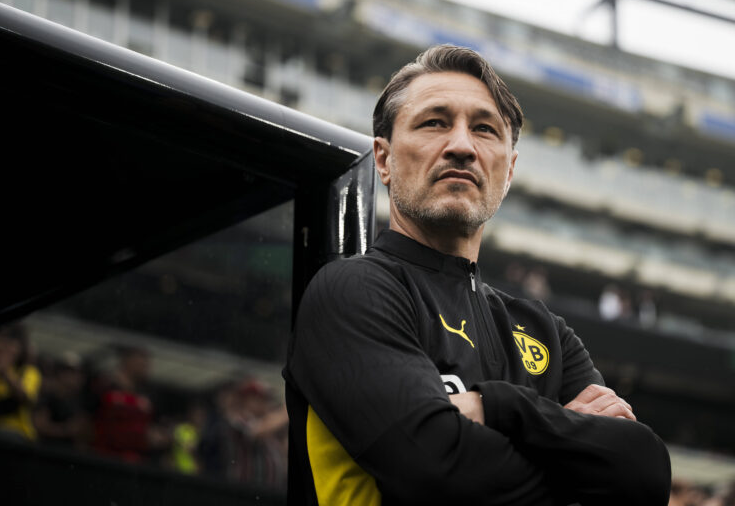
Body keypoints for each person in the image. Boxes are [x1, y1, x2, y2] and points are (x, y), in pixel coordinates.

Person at [283, 44, 671, 505]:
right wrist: (563, 441)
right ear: (384, 160)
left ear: (508, 171)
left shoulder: (548, 335)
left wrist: (496, 406)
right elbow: (436, 472)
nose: (462, 146)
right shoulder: (351, 291)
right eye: (435, 122)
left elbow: (642, 469)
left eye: (484, 129)